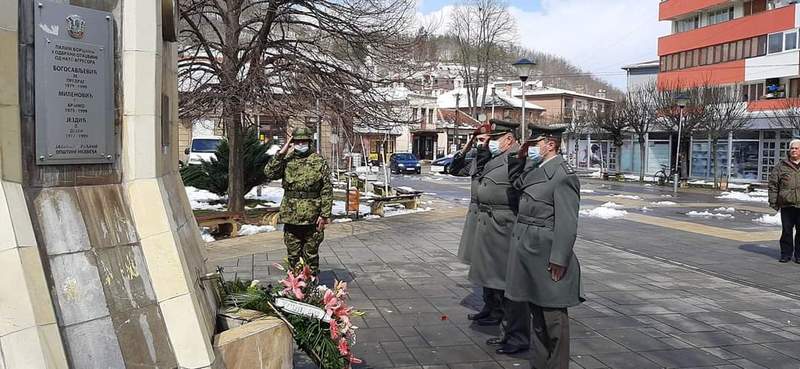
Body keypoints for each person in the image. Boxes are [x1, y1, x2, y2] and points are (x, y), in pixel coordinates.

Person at [506, 125, 584, 369]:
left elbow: (567, 222)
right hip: (529, 251)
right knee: (537, 316)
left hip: (547, 255)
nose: (529, 148)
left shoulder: (563, 175)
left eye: (534, 143)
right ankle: (540, 363)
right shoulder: (538, 169)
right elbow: (515, 184)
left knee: (553, 320)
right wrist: (517, 158)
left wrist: (559, 258)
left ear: (550, 145)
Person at [466, 119, 531, 355]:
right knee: (498, 285)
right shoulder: (497, 157)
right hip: (492, 226)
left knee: (510, 288)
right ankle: (507, 332)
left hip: (506, 228)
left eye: (495, 139)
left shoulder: (518, 158)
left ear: (509, 139)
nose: (490, 143)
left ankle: (517, 335)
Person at [263, 127, 333, 274]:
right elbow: (269, 173)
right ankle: (295, 287)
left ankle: (311, 286)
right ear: (292, 142)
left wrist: (325, 215)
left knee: (311, 255)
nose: (301, 144)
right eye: (297, 141)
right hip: (291, 215)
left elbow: (326, 189)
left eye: (304, 141)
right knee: (293, 255)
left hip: (312, 217)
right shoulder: (287, 159)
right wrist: (282, 152)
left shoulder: (318, 161)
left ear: (309, 142)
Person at [449, 123, 494, 320]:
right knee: (481, 263)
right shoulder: (478, 158)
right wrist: (468, 144)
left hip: (490, 218)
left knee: (490, 265)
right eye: (478, 140)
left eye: (484, 140)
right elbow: (454, 169)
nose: (480, 144)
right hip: (476, 215)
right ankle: (489, 306)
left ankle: (496, 309)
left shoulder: (497, 160)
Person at [768, 139, 800, 263]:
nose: (793, 151)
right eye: (792, 148)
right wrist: (773, 201)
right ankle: (786, 254)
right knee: (787, 230)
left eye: (796, 148)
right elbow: (773, 184)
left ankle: (799, 255)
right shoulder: (781, 166)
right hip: (787, 204)